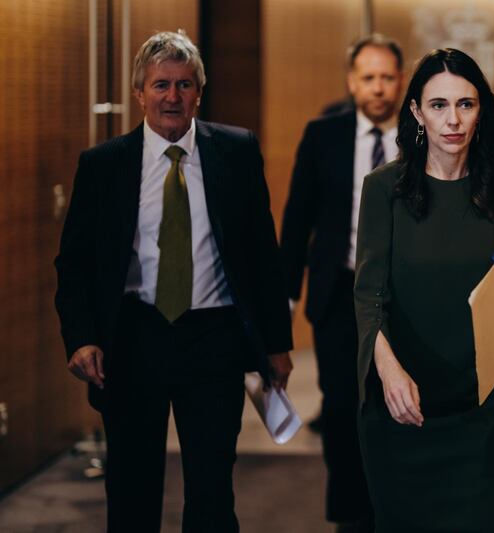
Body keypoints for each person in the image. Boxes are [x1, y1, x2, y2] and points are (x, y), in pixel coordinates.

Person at [54, 30, 293, 533]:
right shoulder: (103, 165)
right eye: (161, 85)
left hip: (214, 339)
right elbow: (73, 263)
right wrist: (81, 338)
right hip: (133, 339)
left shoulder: (236, 150)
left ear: (198, 93)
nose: (172, 97)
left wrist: (275, 343)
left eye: (185, 85)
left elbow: (261, 254)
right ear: (140, 92)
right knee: (131, 490)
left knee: (211, 491)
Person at [354, 48, 494, 532]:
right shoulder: (383, 189)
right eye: (438, 105)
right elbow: (369, 295)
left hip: (488, 410)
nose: (453, 120)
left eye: (466, 104)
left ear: (482, 111)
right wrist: (388, 371)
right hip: (408, 407)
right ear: (417, 112)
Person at [280, 33, 404, 532]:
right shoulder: (322, 134)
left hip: (402, 301)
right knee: (340, 407)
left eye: (388, 78)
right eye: (368, 78)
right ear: (352, 82)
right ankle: (351, 515)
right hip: (338, 295)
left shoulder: (422, 136)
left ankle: (393, 509)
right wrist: (283, 305)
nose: (378, 88)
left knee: (397, 404)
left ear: (401, 82)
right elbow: (296, 222)